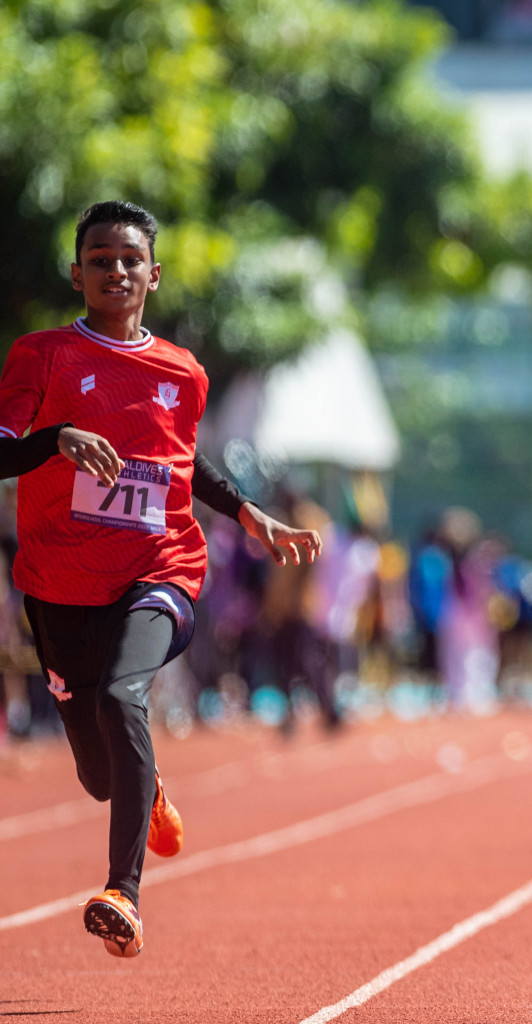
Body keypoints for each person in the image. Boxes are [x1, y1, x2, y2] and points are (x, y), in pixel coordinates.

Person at [0, 201, 322, 957]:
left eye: (129, 259)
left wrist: (252, 516)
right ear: (77, 273)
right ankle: (146, 787)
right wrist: (58, 439)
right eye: (101, 258)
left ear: (155, 274)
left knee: (123, 694)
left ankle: (125, 892)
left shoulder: (183, 370)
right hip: (57, 584)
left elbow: (185, 463)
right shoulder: (41, 357)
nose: (116, 270)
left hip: (159, 569)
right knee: (100, 777)